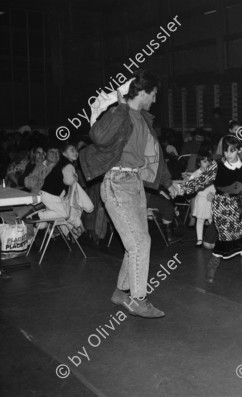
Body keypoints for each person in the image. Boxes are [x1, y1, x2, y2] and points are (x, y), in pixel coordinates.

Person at [79, 70, 178, 319]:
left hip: (134, 183)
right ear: (143, 92)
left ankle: (121, 292)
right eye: (153, 95)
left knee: (136, 241)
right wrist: (121, 108)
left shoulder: (144, 119)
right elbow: (98, 136)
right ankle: (138, 299)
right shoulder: (120, 113)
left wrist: (168, 182)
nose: (155, 100)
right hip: (117, 182)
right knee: (140, 243)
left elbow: (153, 155)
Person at [182, 135, 242, 283]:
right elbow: (202, 179)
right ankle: (212, 267)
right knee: (225, 235)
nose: (228, 154)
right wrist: (185, 187)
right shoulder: (217, 165)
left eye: (232, 151)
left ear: (238, 150)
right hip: (222, 205)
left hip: (239, 204)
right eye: (225, 151)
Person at [190, 149, 216, 247]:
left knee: (211, 219)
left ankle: (213, 237)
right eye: (204, 161)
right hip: (201, 199)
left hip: (211, 199)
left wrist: (214, 193)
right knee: (200, 219)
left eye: (209, 161)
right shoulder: (196, 174)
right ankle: (199, 239)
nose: (207, 163)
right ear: (199, 162)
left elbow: (216, 185)